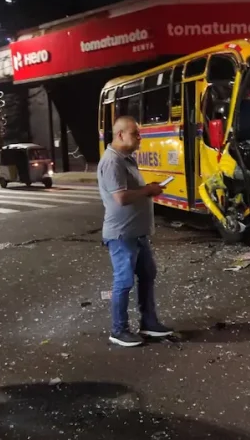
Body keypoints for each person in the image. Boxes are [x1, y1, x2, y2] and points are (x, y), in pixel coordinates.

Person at [97, 116, 173, 347]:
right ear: (120, 135)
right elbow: (120, 197)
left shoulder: (126, 159)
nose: (140, 137)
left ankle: (149, 323)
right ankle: (118, 330)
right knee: (124, 281)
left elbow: (132, 190)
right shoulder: (112, 162)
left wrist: (149, 188)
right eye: (135, 134)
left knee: (148, 274)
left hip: (137, 233)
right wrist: (148, 190)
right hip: (122, 234)